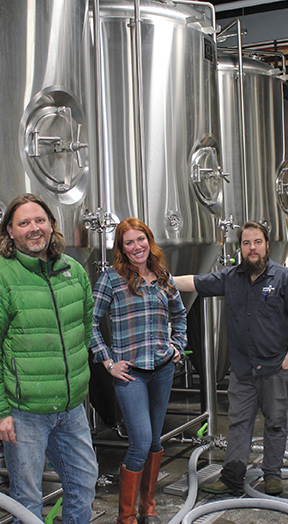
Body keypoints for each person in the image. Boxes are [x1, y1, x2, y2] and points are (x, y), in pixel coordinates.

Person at [0, 193, 97, 524]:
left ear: (52, 225)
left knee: (83, 483)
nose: (34, 229)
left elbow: (84, 327)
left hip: (71, 409)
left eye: (40, 221)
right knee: (27, 498)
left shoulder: (74, 270)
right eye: (24, 223)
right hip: (24, 414)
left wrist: (77, 383)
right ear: (10, 232)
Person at [175, 221, 288, 497]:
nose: (252, 248)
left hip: (275, 368)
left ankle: (272, 475)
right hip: (243, 370)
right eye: (246, 243)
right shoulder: (231, 277)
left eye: (257, 242)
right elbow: (194, 282)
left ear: (267, 245)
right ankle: (232, 476)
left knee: (275, 423)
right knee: (238, 424)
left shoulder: (284, 278)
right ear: (240, 248)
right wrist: (157, 279)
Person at [90, 218, 187, 524]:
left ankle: (148, 506)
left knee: (156, 441)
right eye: (128, 242)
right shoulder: (111, 279)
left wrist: (177, 346)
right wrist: (107, 362)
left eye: (140, 239)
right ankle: (126, 516)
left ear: (150, 240)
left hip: (161, 369)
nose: (136, 247)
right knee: (141, 441)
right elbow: (89, 324)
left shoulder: (162, 276)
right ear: (121, 248)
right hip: (130, 373)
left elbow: (180, 315)